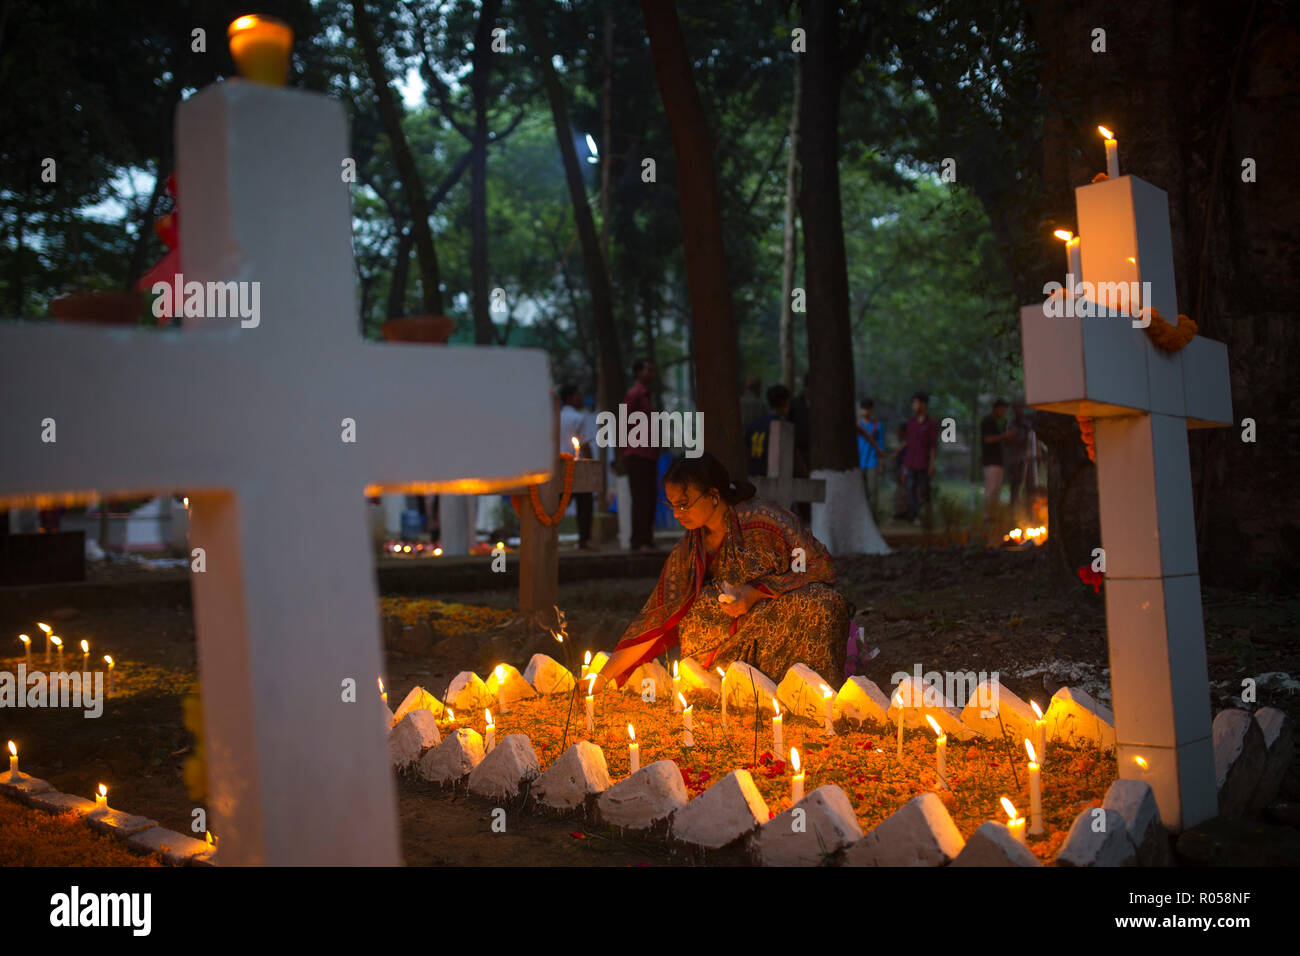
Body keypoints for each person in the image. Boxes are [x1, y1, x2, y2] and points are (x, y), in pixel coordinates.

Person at [594, 452, 849, 689]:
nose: (676, 514)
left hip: (780, 612)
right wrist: (603, 677)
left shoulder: (765, 518)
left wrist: (756, 593)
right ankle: (729, 680)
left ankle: (801, 685)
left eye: (684, 504)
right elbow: (657, 615)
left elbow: (820, 565)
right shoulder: (690, 546)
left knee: (823, 603)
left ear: (713, 496)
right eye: (671, 505)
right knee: (697, 611)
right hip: (731, 630)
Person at [621, 358, 659, 551]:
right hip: (637, 454)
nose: (652, 374)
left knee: (650, 497)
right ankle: (638, 540)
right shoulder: (634, 394)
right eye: (648, 370)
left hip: (649, 454)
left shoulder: (646, 396)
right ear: (638, 372)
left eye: (653, 370)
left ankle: (647, 537)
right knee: (641, 498)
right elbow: (624, 421)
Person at [559, 383, 597, 550]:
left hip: (559, 465)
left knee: (557, 502)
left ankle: (548, 535)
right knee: (584, 503)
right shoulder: (578, 418)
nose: (581, 399)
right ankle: (584, 539)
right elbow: (585, 444)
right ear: (569, 398)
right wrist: (592, 465)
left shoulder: (556, 417)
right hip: (578, 468)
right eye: (577, 395)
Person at [902, 391, 938, 525]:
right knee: (910, 489)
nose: (913, 406)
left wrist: (932, 464)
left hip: (924, 462)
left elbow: (933, 446)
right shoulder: (911, 422)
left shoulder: (931, 423)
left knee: (924, 490)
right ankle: (914, 516)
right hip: (910, 461)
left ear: (923, 404)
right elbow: (907, 442)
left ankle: (927, 516)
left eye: (915, 403)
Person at [745, 383, 792, 477]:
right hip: (771, 475)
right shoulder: (783, 427)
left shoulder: (754, 423)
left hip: (752, 472)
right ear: (786, 403)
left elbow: (746, 450)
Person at [979, 398, 1011, 523]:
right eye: (1003, 409)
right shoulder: (987, 421)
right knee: (991, 489)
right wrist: (1004, 436)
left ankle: (993, 515)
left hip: (998, 461)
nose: (1004, 412)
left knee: (996, 489)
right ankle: (987, 515)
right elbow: (988, 439)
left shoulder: (998, 423)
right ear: (996, 409)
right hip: (990, 461)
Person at [1005, 401, 1037, 520]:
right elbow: (1009, 440)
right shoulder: (1011, 424)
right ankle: (1014, 514)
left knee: (1030, 488)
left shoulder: (1028, 422)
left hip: (1030, 459)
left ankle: (1030, 515)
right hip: (1017, 459)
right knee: (1016, 487)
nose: (1018, 411)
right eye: (1015, 408)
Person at [788, 373, 813, 525]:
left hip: (815, 453)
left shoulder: (820, 403)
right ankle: (803, 518)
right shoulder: (794, 404)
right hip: (798, 451)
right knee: (801, 486)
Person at [855, 398, 884, 519]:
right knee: (860, 493)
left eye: (867, 408)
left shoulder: (877, 426)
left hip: (872, 462)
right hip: (859, 462)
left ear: (871, 410)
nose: (865, 411)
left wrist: (881, 463)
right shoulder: (857, 425)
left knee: (873, 492)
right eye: (863, 408)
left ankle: (873, 519)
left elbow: (880, 445)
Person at [889, 423, 910, 520]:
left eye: (899, 432)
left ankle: (902, 512)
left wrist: (904, 472)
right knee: (900, 490)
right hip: (900, 469)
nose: (897, 434)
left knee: (903, 491)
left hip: (904, 469)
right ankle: (899, 512)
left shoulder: (907, 443)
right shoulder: (902, 443)